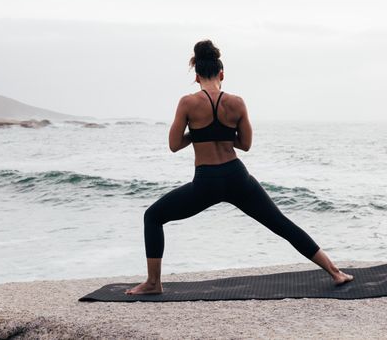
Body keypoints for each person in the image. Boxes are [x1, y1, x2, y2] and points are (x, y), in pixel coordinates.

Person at [125, 39, 353, 295]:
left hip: (206, 182)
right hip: (236, 176)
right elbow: (245, 144)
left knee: (153, 217)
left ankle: (154, 283)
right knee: (281, 223)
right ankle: (335, 272)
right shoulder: (237, 103)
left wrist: (199, 134)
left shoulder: (187, 103)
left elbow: (174, 144)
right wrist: (222, 134)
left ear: (197, 76)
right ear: (222, 74)